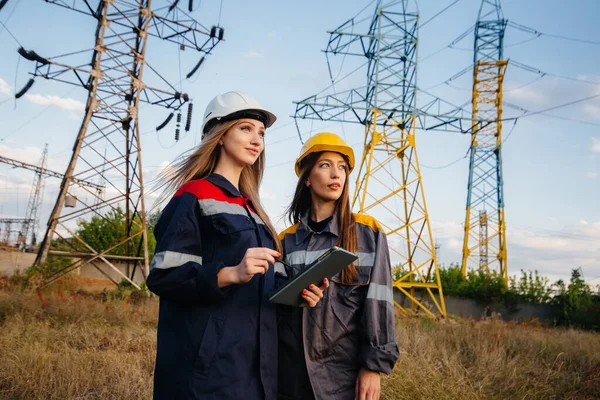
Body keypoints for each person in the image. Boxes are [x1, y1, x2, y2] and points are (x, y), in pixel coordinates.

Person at [146, 91, 324, 400]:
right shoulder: (194, 195)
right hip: (207, 374)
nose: (257, 139)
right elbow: (164, 275)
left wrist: (300, 292)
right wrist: (229, 273)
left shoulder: (256, 214)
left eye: (261, 133)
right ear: (218, 135)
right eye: (245, 128)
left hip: (256, 370)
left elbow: (270, 288)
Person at [277, 132, 399, 400]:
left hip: (343, 379)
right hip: (290, 377)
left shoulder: (368, 233)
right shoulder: (285, 240)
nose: (336, 174)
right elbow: (273, 309)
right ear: (307, 178)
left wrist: (372, 367)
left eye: (342, 167)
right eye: (325, 165)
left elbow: (379, 303)